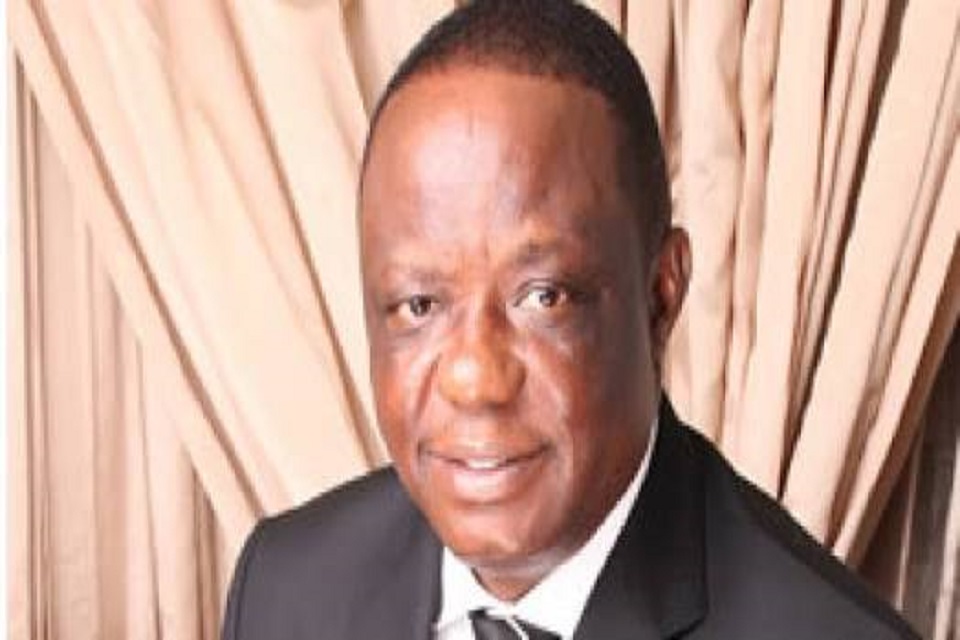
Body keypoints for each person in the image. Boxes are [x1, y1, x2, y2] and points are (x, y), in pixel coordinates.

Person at [221, 1, 919, 638]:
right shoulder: (285, 591)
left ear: (661, 295)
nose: (475, 379)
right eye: (419, 305)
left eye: (543, 297)